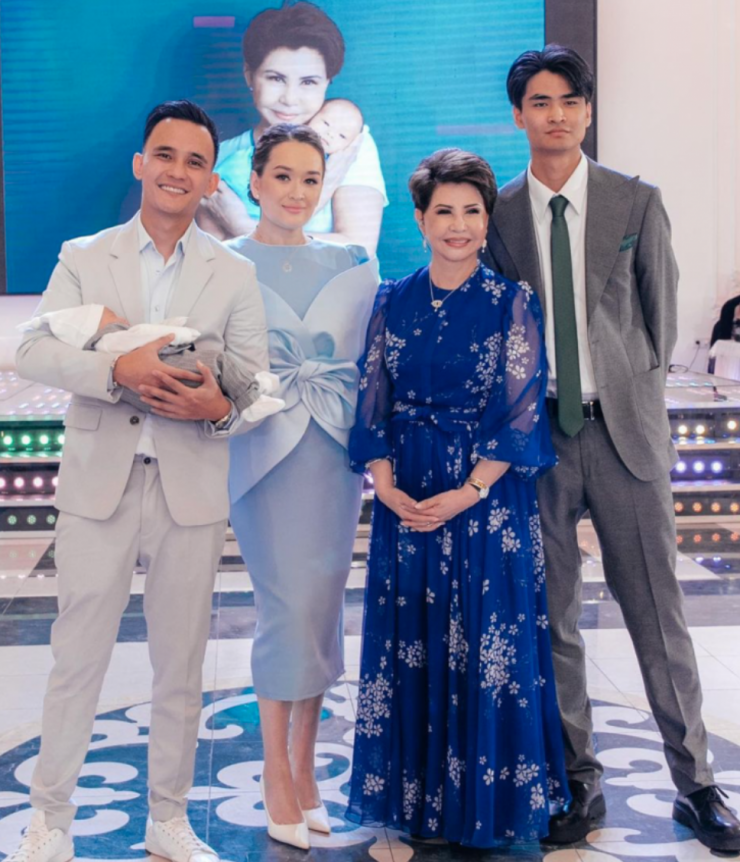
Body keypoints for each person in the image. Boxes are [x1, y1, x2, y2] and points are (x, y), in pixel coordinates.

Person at [483, 45, 740, 852]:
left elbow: (659, 324)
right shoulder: (500, 214)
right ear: (519, 115)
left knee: (658, 617)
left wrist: (630, 399)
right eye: (539, 102)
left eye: (569, 100)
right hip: (539, 444)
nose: (555, 114)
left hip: (624, 436)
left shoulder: (636, 201)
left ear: (587, 110)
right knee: (552, 622)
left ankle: (695, 786)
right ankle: (577, 785)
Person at [11, 100, 268, 862]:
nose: (177, 171)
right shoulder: (84, 255)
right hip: (100, 485)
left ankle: (168, 818)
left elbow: (255, 385)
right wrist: (115, 368)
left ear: (210, 179)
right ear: (141, 163)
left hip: (190, 487)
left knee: (180, 664)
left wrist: (220, 406)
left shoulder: (235, 272)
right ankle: (50, 823)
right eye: (165, 155)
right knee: (77, 658)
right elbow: (32, 350)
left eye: (195, 162)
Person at [346, 148, 570, 847]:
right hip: (407, 497)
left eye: (472, 211)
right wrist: (384, 483)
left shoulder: (511, 301)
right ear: (419, 218)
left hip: (486, 503)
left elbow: (521, 410)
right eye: (444, 210)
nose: (459, 225)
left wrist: (469, 491)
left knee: (485, 643)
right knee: (412, 643)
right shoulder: (391, 298)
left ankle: (486, 806)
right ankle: (419, 805)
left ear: (487, 219)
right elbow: (372, 394)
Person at [226, 123, 379, 850]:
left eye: (310, 179)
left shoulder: (350, 259)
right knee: (283, 606)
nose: (296, 191)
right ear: (254, 181)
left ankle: (307, 768)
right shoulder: (223, 262)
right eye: (282, 176)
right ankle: (274, 772)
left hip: (332, 457)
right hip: (263, 454)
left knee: (321, 607)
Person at [197, 1, 386, 254]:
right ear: (249, 76)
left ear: (327, 83)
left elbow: (358, 250)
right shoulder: (219, 158)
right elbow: (213, 261)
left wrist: (243, 227)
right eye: (276, 78)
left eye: (308, 82)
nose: (290, 99)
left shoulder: (345, 142)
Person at [19, 304, 284, 422]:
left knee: (218, 376)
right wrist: (181, 332)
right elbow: (154, 334)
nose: (117, 316)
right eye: (109, 315)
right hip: (175, 369)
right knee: (218, 362)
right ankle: (252, 397)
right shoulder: (115, 339)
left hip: (149, 398)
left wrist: (219, 412)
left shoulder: (235, 267)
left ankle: (252, 390)